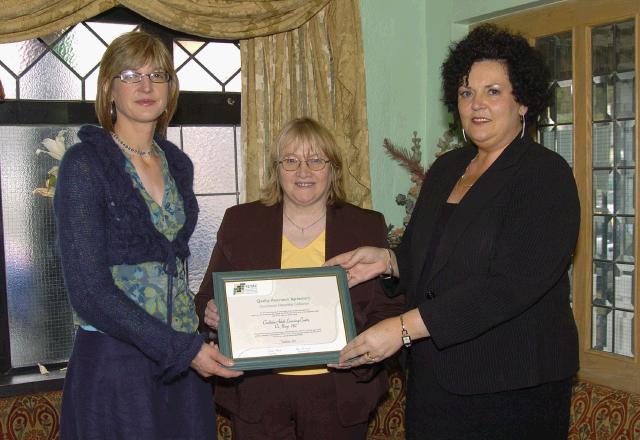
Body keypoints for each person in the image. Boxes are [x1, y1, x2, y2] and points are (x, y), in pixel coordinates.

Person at [325, 24, 580, 439]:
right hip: (434, 380)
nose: (477, 104)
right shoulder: (447, 169)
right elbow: (429, 262)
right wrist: (388, 261)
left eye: (493, 91)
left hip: (513, 390)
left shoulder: (545, 176)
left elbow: (508, 287)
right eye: (466, 93)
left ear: (523, 102)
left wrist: (403, 327)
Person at [54, 31, 241, 440]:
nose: (145, 85)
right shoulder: (84, 164)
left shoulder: (178, 165)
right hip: (116, 364)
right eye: (130, 74)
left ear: (170, 89)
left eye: (158, 75)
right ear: (108, 88)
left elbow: (171, 271)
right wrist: (185, 349)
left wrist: (208, 319)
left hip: (181, 367)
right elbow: (88, 291)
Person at [195, 117, 405, 439]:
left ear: (332, 168)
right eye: (290, 160)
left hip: (338, 390)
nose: (303, 171)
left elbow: (386, 307)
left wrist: (364, 352)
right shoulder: (241, 221)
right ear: (276, 169)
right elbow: (204, 298)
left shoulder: (365, 226)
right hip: (258, 392)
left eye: (315, 160)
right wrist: (211, 312)